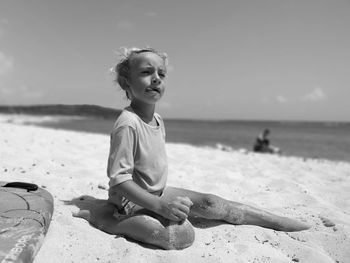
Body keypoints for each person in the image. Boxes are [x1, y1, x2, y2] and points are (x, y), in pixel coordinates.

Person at [73, 47, 309, 250]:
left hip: (158, 193)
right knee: (180, 235)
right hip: (128, 200)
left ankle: (274, 221)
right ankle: (103, 217)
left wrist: (161, 201)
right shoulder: (127, 123)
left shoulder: (158, 119)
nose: (156, 78)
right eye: (146, 72)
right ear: (127, 83)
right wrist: (158, 206)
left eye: (161, 74)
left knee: (212, 204)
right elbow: (119, 180)